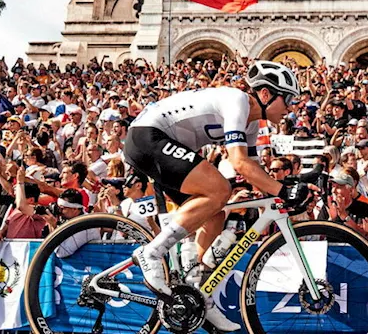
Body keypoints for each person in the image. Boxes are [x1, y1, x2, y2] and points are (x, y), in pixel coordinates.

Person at [126, 61, 307, 333]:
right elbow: (239, 163)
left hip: (163, 144)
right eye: (288, 99)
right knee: (219, 189)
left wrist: (288, 185)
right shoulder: (238, 101)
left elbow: (253, 169)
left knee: (215, 216)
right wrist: (282, 191)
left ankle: (195, 292)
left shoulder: (251, 124)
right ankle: (151, 252)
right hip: (149, 135)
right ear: (267, 94)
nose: (290, 107)